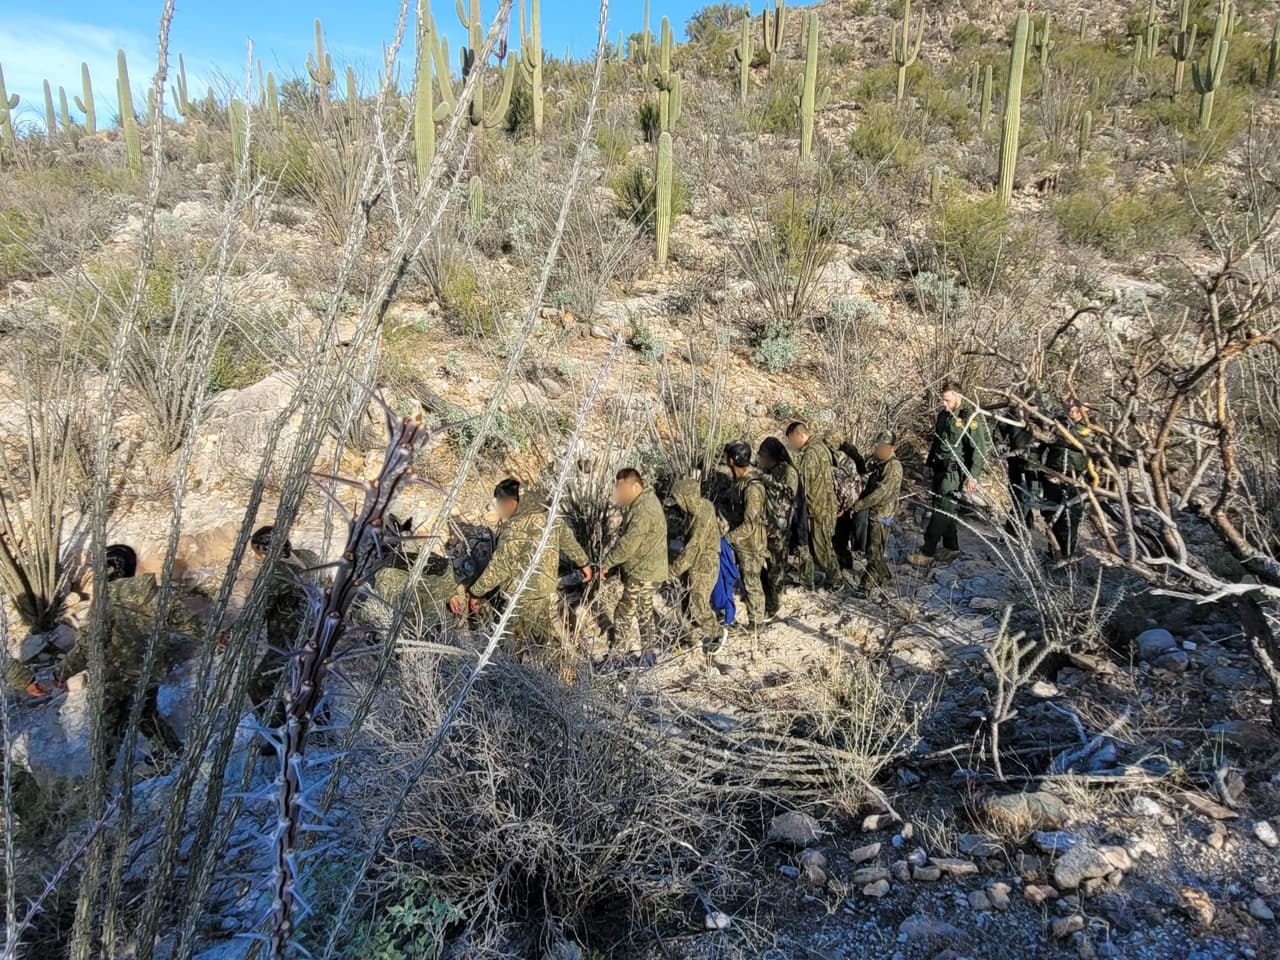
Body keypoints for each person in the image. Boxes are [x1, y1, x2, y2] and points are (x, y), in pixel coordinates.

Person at [455, 479, 592, 663]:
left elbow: (499, 567)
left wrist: (476, 592)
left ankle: (514, 675)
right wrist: (584, 563)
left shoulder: (514, 529)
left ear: (510, 503)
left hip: (520, 596)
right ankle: (555, 671)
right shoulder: (547, 515)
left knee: (508, 647)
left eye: (500, 504)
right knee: (543, 641)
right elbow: (568, 540)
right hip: (544, 591)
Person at [910, 382, 991, 565]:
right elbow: (937, 441)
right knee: (947, 508)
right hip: (939, 467)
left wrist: (973, 475)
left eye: (947, 400)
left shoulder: (969, 418)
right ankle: (951, 547)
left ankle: (927, 552)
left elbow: (978, 449)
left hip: (954, 472)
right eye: (943, 400)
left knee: (941, 509)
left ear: (958, 397)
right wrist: (929, 462)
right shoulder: (943, 416)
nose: (943, 403)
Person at [600, 469, 668, 661]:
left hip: (644, 572)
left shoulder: (643, 509)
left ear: (636, 486)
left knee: (624, 612)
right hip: (646, 570)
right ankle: (648, 655)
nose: (619, 494)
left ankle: (617, 657)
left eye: (622, 490)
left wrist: (606, 564)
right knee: (644, 612)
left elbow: (629, 544)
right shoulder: (643, 503)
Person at [667, 478, 726, 652]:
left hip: (704, 564)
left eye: (679, 499)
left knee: (698, 603)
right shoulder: (702, 507)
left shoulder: (702, 516)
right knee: (686, 602)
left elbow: (693, 549)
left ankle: (716, 632)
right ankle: (690, 637)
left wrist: (672, 571)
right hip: (696, 564)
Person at [785, 421, 840, 590]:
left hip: (818, 509)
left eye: (791, 439)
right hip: (826, 506)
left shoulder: (810, 454)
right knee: (823, 546)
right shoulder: (822, 447)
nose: (791, 444)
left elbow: (803, 486)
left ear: (799, 434)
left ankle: (836, 581)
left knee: (822, 548)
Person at [846, 433, 903, 594]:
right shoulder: (878, 463)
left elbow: (881, 493)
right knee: (873, 550)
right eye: (877, 446)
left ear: (893, 448)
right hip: (872, 512)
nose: (879, 450)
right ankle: (884, 575)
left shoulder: (893, 467)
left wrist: (859, 505)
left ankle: (867, 585)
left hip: (881, 514)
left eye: (883, 447)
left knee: (873, 551)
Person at [724, 442, 770, 630]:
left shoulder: (752, 488)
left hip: (752, 544)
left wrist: (727, 539)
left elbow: (750, 524)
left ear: (731, 460)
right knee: (748, 580)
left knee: (752, 582)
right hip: (744, 542)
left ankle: (757, 623)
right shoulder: (741, 481)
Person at [1040, 398, 1093, 561]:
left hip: (1077, 479)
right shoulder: (1056, 424)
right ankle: (1052, 554)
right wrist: (1036, 469)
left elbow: (1101, 457)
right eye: (1069, 404)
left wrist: (1093, 483)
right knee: (1051, 515)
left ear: (1087, 407)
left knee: (1070, 520)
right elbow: (1041, 445)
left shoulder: (1093, 428)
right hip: (1052, 476)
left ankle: (1068, 557)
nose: (1072, 409)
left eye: (1077, 406)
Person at [756, 436, 802, 619]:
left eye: (763, 456)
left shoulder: (788, 471)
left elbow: (788, 495)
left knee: (776, 568)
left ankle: (773, 605)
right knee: (766, 566)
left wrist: (765, 480)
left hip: (779, 527)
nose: (761, 460)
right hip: (765, 525)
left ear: (773, 456)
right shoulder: (767, 469)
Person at [998, 398, 1040, 533]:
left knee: (1026, 497)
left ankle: (1016, 529)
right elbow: (999, 432)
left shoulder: (1042, 422)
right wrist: (1000, 445)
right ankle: (1019, 528)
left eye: (1033, 406)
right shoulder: (1013, 418)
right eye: (1028, 405)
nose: (1030, 409)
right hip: (1015, 463)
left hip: (1034, 467)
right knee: (1018, 496)